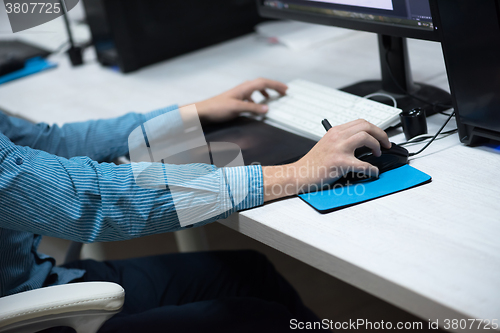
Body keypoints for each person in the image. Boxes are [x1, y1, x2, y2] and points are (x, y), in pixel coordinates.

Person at [0, 78, 390, 333]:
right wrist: (297, 172)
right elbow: (97, 202)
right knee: (264, 322)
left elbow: (46, 143)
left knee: (251, 273)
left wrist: (188, 115)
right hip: (27, 315)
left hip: (34, 283)